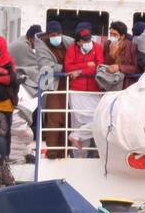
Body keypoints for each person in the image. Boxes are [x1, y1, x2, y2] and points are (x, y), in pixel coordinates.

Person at [64, 21, 103, 157]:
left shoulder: (97, 48)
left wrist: (80, 71)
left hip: (93, 91)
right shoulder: (71, 49)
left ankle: (76, 136)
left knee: (98, 120)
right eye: (84, 40)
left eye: (89, 39)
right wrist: (86, 64)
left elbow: (98, 67)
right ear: (78, 42)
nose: (88, 42)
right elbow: (68, 68)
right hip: (76, 91)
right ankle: (79, 156)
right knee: (78, 122)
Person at [38, 20, 71, 158]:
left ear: (61, 34)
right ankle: (52, 151)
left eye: (57, 34)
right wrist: (65, 68)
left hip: (69, 85)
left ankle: (65, 151)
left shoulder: (69, 42)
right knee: (53, 116)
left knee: (67, 117)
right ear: (48, 35)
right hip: (53, 86)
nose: (55, 36)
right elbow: (44, 64)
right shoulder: (42, 46)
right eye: (52, 34)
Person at [8, 24, 46, 98]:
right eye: (38, 41)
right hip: (9, 71)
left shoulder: (23, 39)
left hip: (10, 69)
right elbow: (35, 63)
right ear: (31, 39)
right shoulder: (23, 45)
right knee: (36, 72)